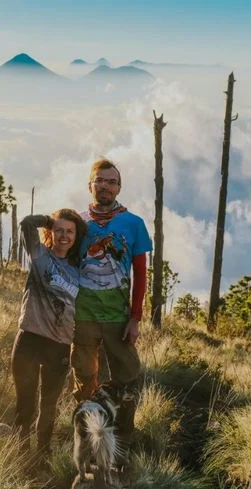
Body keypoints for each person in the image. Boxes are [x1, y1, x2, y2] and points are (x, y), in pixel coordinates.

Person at [70, 158, 152, 468]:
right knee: (84, 379)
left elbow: (142, 275)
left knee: (128, 377)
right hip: (83, 317)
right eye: (100, 180)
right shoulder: (78, 223)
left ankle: (122, 442)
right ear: (89, 185)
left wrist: (135, 317)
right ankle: (90, 441)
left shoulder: (133, 224)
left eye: (112, 182)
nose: (105, 186)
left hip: (118, 318)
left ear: (119, 187)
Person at [12, 209, 88, 458]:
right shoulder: (40, 255)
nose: (64, 236)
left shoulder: (79, 272)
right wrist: (48, 220)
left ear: (76, 236)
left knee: (49, 406)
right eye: (59, 230)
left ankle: (43, 455)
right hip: (30, 339)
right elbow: (25, 222)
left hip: (59, 346)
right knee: (25, 403)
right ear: (51, 232)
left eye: (69, 231)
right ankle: (21, 455)